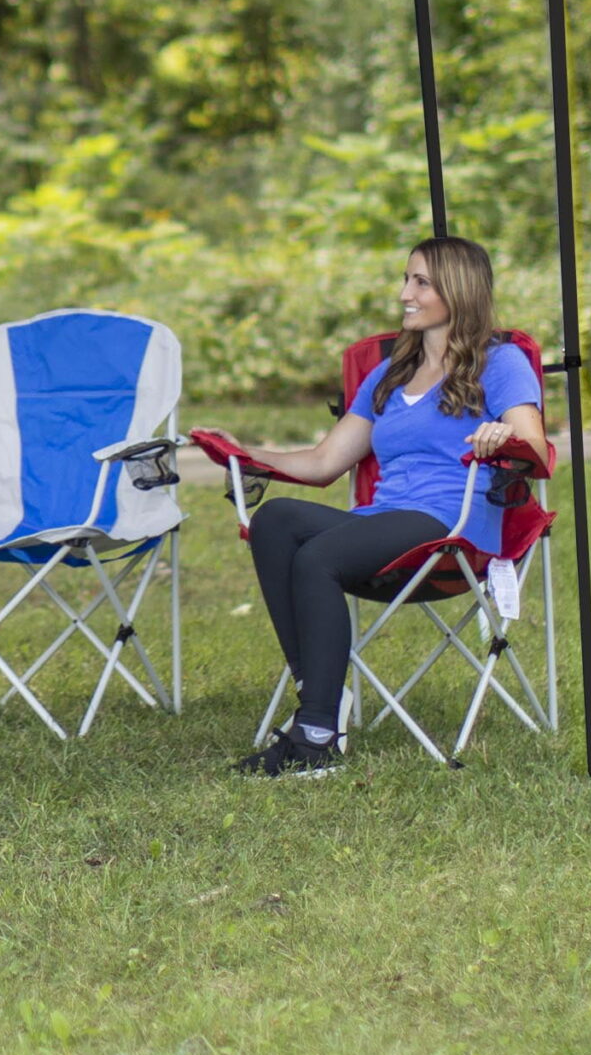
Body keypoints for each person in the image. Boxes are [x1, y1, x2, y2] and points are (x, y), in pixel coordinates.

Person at [215, 236, 546, 778]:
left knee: (318, 556)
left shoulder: (500, 362)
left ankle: (315, 739)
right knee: (275, 520)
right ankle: (319, 698)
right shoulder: (391, 372)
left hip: (451, 526)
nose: (404, 295)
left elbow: (533, 448)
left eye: (420, 283)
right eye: (406, 280)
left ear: (457, 292)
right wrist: (244, 452)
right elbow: (325, 463)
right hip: (383, 522)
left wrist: (499, 434)